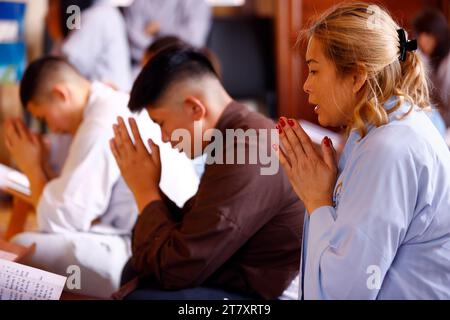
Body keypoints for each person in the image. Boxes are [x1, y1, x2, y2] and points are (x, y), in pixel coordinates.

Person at [276, 3, 450, 300]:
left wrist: (317, 200)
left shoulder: (389, 148)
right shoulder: (377, 130)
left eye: (315, 71)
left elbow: (343, 294)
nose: (306, 85)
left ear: (357, 77)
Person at [110, 48, 304, 300]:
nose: (165, 138)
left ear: (194, 108)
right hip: (231, 278)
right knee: (134, 271)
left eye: (161, 123)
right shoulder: (235, 136)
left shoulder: (248, 148)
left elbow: (179, 269)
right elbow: (190, 232)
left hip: (266, 297)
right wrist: (149, 189)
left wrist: (144, 191)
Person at [5, 56, 199, 298]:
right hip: (152, 239)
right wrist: (39, 164)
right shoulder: (107, 104)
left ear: (61, 94)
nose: (51, 129)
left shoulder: (100, 121)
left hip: (147, 253)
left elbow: (62, 219)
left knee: (19, 252)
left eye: (44, 118)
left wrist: (32, 167)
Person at [46, 0, 132, 91]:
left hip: (109, 97)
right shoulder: (100, 13)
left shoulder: (96, 16)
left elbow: (61, 70)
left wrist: (57, 34)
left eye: (52, 5)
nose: (47, 14)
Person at [124, 0, 211, 70]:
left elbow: (194, 40)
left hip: (185, 66)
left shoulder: (196, 3)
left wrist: (159, 29)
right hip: (143, 66)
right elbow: (133, 43)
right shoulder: (138, 3)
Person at [413, 9, 450, 128]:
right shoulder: (431, 59)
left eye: (419, 35)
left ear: (432, 34)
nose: (418, 41)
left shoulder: (447, 64)